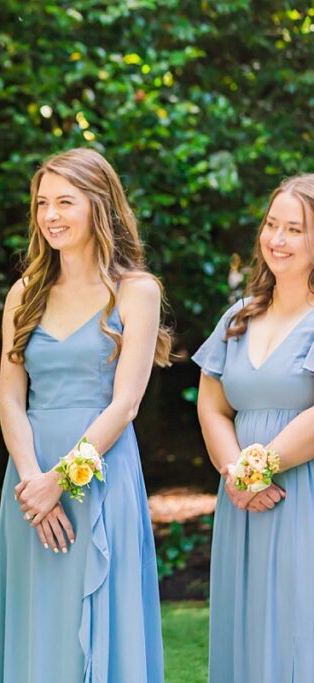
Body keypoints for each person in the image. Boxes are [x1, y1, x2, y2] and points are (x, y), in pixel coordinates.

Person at [0, 148, 167, 682]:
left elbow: (126, 403)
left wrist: (61, 480)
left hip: (100, 472)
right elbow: (9, 398)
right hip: (27, 482)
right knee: (38, 620)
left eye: (65, 201)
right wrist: (33, 486)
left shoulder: (137, 291)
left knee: (99, 616)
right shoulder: (24, 293)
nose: (51, 216)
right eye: (43, 203)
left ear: (99, 207)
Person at [194, 174, 314, 683]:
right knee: (243, 628)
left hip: (299, 496)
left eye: (295, 229)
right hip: (240, 500)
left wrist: (261, 468)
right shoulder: (238, 316)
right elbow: (212, 406)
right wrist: (235, 472)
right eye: (272, 225)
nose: (277, 240)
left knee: (297, 627)